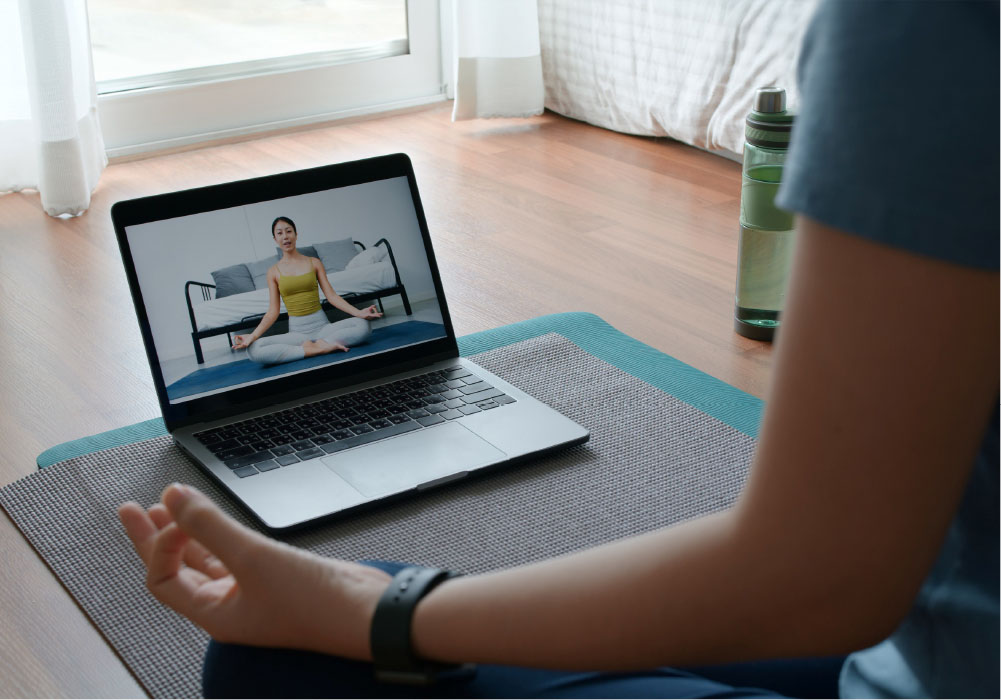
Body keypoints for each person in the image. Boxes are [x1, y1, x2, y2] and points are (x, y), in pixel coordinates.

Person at [118, 2, 998, 697]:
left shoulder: (922, 31)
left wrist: (367, 613)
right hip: (935, 627)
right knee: (352, 593)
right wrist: (260, 334)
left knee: (278, 654)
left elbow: (821, 573)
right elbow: (848, 569)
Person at [232, 216, 382, 365]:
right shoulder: (273, 272)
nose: (285, 236)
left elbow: (332, 296)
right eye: (280, 233)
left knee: (363, 325)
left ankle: (315, 346)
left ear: (296, 235)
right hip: (297, 334)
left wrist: (359, 313)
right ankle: (317, 349)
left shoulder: (314, 263)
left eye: (288, 231)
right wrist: (252, 336)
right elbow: (273, 312)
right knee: (254, 350)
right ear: (275, 239)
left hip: (323, 328)